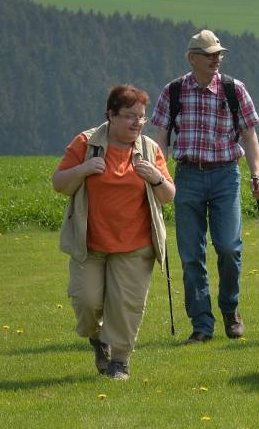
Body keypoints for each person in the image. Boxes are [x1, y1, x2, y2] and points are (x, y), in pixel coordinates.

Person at [150, 28, 259, 344]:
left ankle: (230, 309)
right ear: (193, 59)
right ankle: (202, 324)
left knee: (229, 247)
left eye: (218, 54)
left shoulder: (234, 89)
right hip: (186, 176)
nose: (217, 59)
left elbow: (249, 136)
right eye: (210, 55)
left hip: (226, 174)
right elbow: (160, 138)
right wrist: (160, 177)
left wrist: (256, 174)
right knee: (191, 256)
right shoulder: (173, 91)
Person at [53, 85, 175, 380]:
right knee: (86, 303)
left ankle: (120, 360)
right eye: (130, 116)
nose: (137, 123)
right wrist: (83, 169)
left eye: (142, 118)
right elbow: (59, 183)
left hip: (136, 244)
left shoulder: (149, 149)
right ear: (110, 115)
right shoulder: (85, 142)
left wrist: (157, 178)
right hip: (90, 244)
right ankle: (97, 338)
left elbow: (169, 195)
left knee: (127, 306)